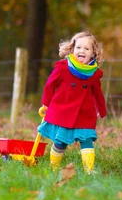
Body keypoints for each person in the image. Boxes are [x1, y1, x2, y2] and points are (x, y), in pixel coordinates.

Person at [37, 31, 107, 173]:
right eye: (79, 47)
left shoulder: (94, 73)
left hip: (84, 113)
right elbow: (50, 85)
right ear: (72, 49)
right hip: (63, 110)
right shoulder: (63, 67)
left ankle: (89, 170)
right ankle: (54, 167)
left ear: (93, 53)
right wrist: (46, 103)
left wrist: (101, 108)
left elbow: (97, 93)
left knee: (87, 140)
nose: (82, 51)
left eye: (87, 49)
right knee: (61, 141)